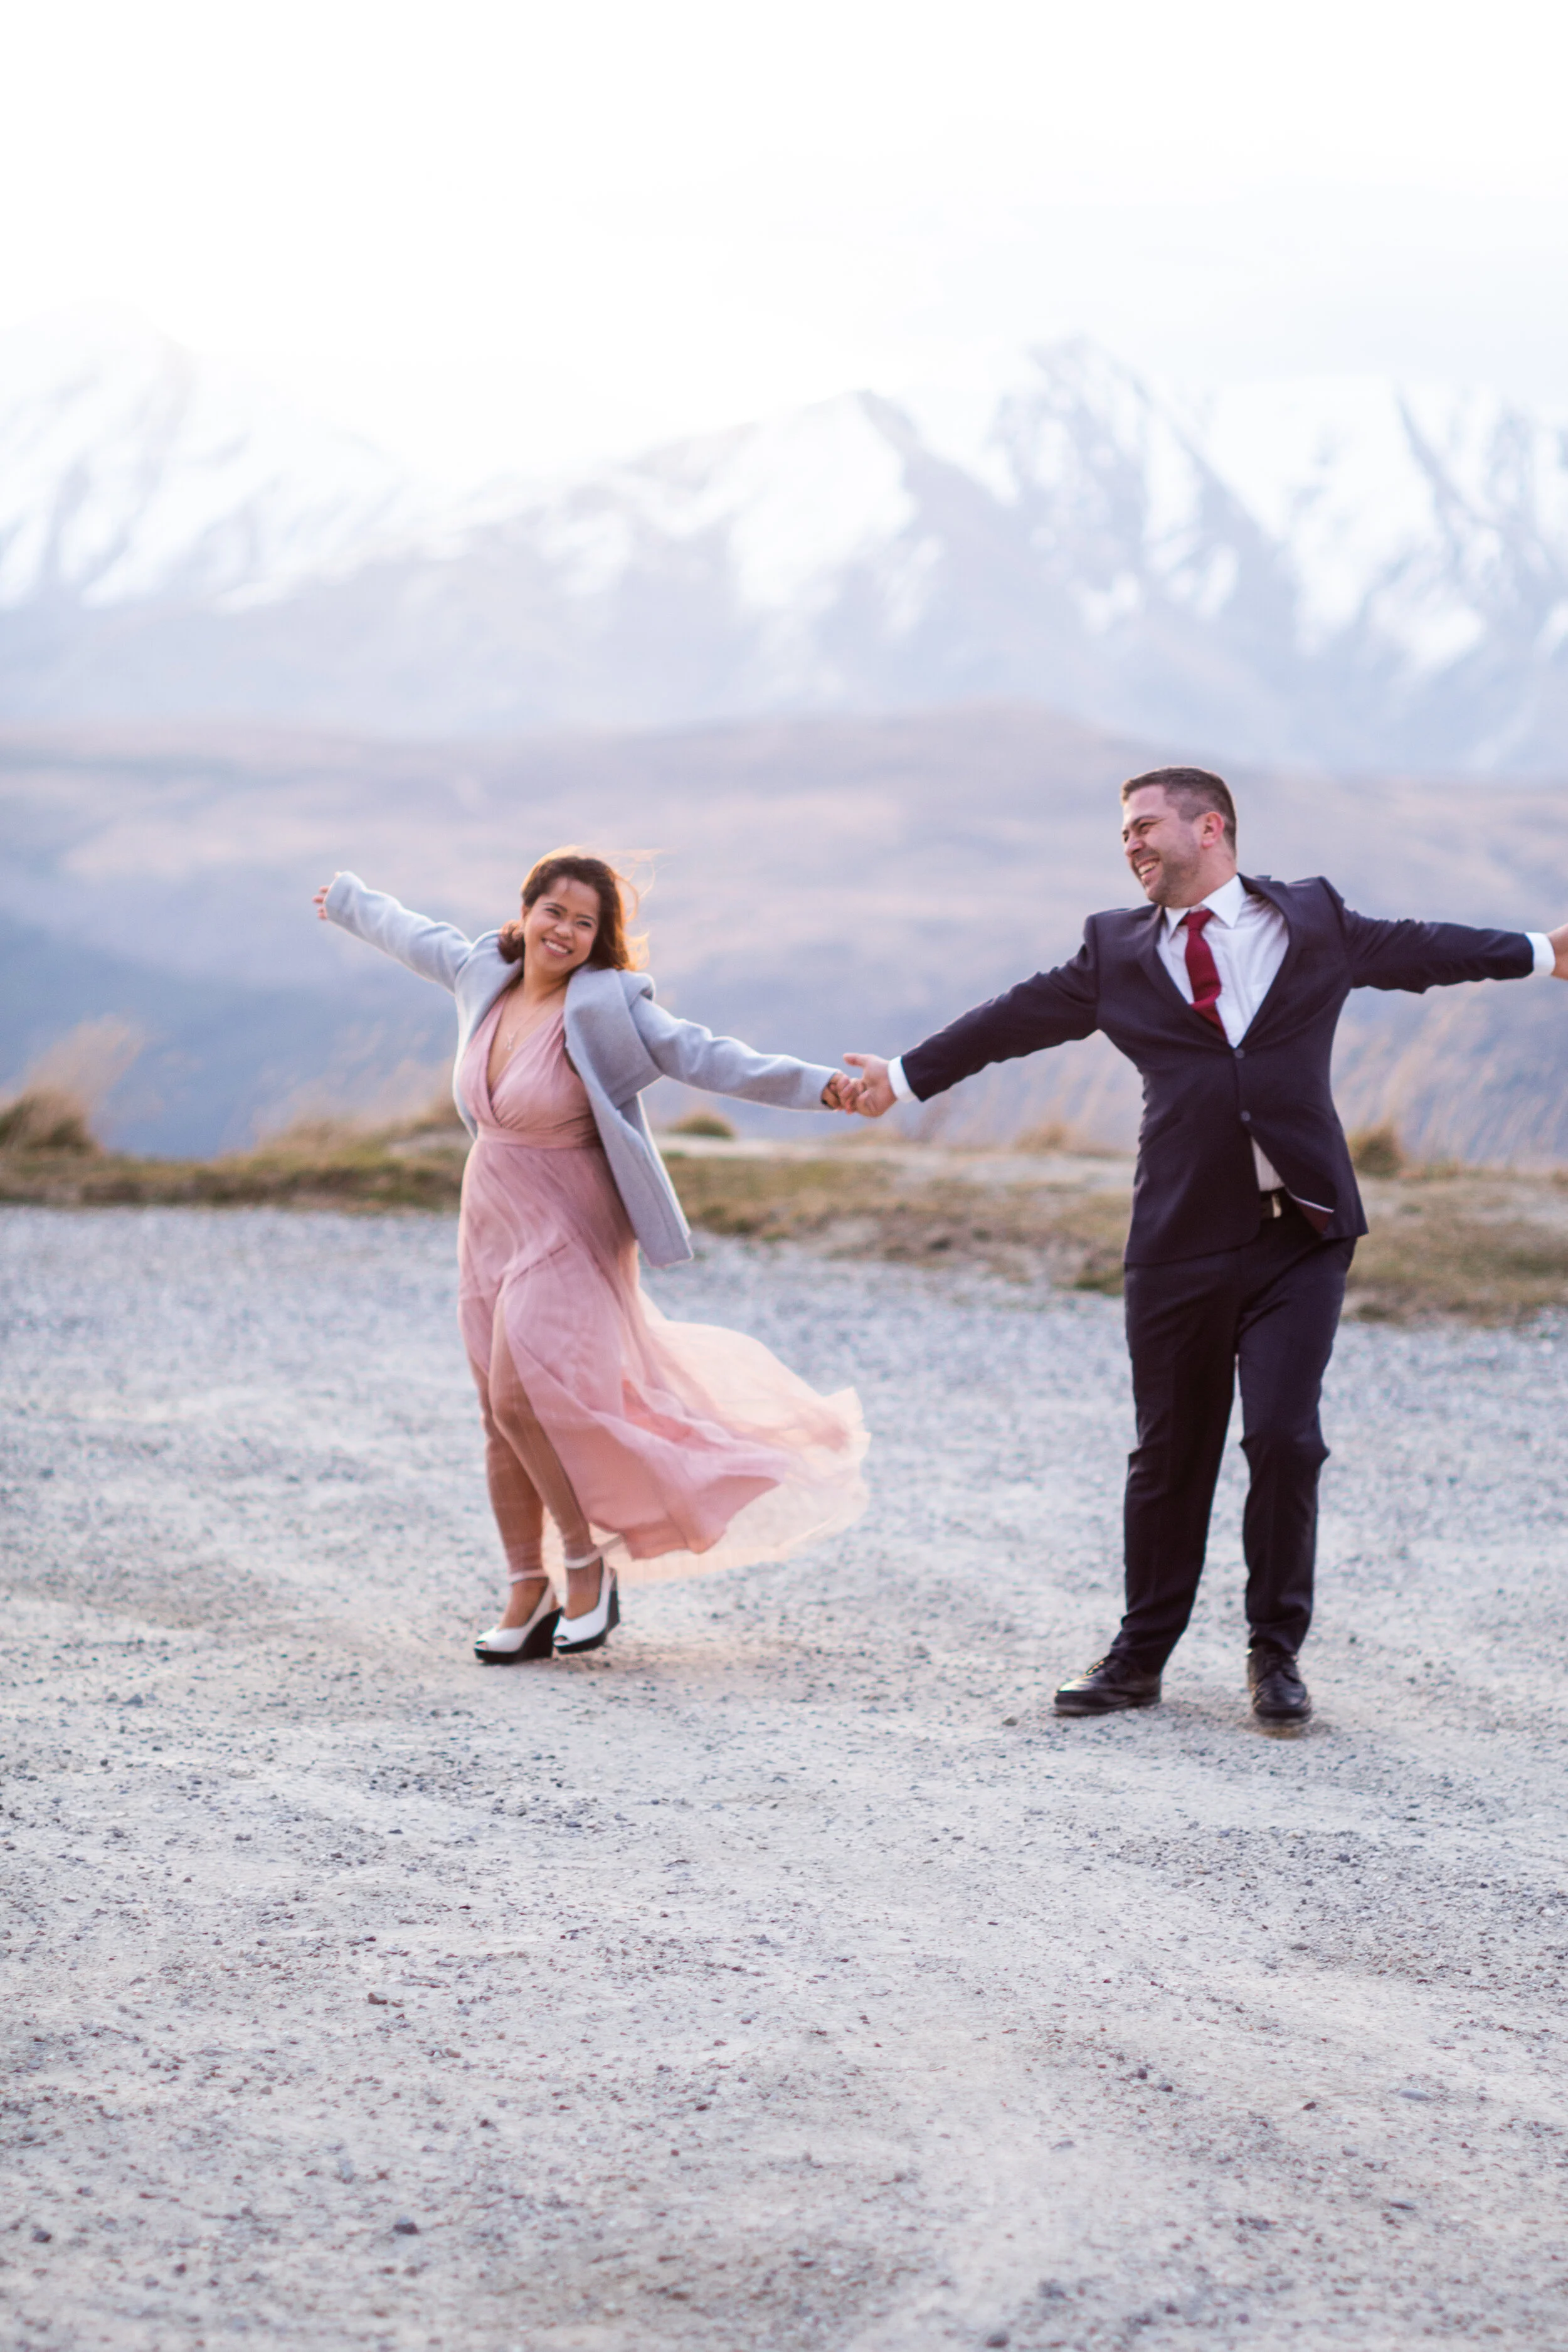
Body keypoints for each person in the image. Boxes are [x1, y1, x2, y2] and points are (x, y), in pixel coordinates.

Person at [839, 766, 1568, 1725]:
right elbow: (1011, 1019)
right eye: (1126, 833)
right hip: (1180, 1237)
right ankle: (1139, 1658)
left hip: (1299, 1233)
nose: (1131, 844)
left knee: (1283, 1438)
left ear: (1210, 827)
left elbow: (1422, 949)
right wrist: (900, 1076)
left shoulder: (1313, 920)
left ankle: (1275, 1654)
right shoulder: (1113, 949)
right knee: (1172, 1452)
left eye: (1145, 826)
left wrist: (1541, 952)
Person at [314, 852, 867, 1661]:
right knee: (497, 1414)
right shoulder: (484, 971)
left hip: (574, 1215)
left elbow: (710, 1055)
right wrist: (350, 901)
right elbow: (412, 934)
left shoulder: (611, 1005)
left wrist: (823, 1086)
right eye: (555, 912)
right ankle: (525, 1589)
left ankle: (583, 1564)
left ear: (602, 938)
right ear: (527, 910)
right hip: (493, 1211)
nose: (565, 931)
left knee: (518, 1395)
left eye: (585, 922)